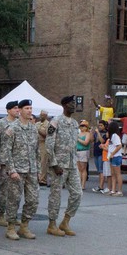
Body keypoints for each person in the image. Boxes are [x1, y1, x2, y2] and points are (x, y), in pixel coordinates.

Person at [2, 99, 40, 240]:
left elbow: (37, 151)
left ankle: (24, 226)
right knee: (14, 200)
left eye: (31, 108)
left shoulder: (33, 128)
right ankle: (11, 227)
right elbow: (6, 151)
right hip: (17, 171)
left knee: (33, 200)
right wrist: (11, 170)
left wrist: (37, 169)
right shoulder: (12, 128)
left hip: (31, 170)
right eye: (26, 108)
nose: (29, 111)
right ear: (20, 111)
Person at [46, 95, 82, 236]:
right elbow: (49, 144)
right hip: (59, 165)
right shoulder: (56, 121)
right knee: (56, 194)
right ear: (65, 105)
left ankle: (65, 221)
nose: (74, 105)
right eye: (72, 103)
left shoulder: (74, 123)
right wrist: (54, 164)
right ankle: (52, 224)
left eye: (74, 103)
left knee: (77, 193)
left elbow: (74, 145)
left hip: (72, 164)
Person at [0, 101, 19, 227]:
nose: (17, 110)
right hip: (3, 162)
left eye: (18, 108)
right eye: (14, 108)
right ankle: (1, 215)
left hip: (17, 162)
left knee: (15, 192)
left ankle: (11, 215)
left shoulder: (19, 123)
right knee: (3, 191)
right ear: (8, 110)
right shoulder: (1, 123)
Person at [106, 121, 123, 196]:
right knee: (113, 174)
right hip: (112, 156)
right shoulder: (111, 136)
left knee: (117, 174)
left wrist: (112, 153)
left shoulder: (115, 136)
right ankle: (113, 190)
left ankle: (119, 191)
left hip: (116, 156)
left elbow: (119, 146)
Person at [91, 120, 108, 192]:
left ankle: (101, 186)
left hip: (102, 153)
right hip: (96, 152)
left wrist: (98, 133)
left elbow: (102, 141)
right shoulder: (96, 133)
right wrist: (91, 133)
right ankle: (100, 185)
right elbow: (92, 140)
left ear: (104, 126)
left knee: (101, 170)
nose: (100, 127)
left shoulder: (106, 133)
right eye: (99, 125)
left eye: (101, 125)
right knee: (98, 170)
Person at [76, 120, 93, 190]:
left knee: (83, 168)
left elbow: (86, 142)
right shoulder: (79, 134)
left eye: (83, 126)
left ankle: (83, 185)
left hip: (84, 151)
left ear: (86, 127)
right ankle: (79, 184)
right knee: (79, 168)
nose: (82, 127)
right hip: (77, 151)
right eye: (81, 126)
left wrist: (78, 139)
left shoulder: (87, 134)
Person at [35, 111, 50, 186]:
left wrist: (38, 129)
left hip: (44, 144)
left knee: (43, 162)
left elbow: (46, 135)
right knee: (37, 161)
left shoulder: (48, 124)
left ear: (46, 116)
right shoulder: (37, 123)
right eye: (40, 115)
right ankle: (37, 177)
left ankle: (43, 180)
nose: (41, 116)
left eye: (43, 115)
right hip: (36, 143)